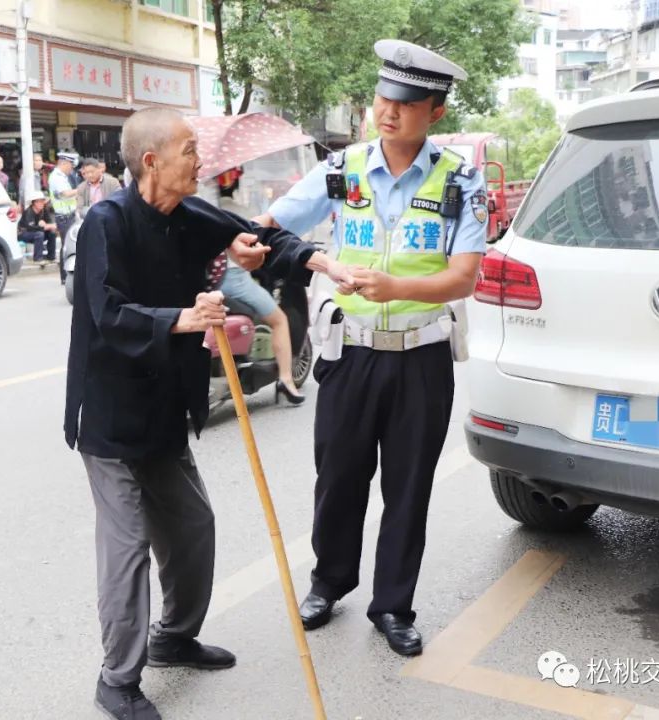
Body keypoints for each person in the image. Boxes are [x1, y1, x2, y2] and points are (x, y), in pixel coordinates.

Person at [65, 106, 352, 720]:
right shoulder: (105, 224)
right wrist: (182, 318)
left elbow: (255, 236)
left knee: (192, 526)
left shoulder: (189, 213)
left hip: (166, 404)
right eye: (190, 150)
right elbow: (104, 312)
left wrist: (308, 260)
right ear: (152, 161)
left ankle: (174, 638)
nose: (202, 161)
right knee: (128, 547)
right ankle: (117, 680)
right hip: (112, 415)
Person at [254, 40, 488, 657]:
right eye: (384, 98)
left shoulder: (461, 181)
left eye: (407, 103)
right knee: (338, 477)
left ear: (434, 111)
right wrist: (305, 256)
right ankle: (329, 582)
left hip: (421, 355)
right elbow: (271, 230)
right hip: (349, 352)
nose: (389, 112)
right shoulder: (340, 169)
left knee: (408, 488)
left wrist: (399, 286)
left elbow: (463, 276)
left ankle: (393, 605)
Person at [214, 168, 305, 404]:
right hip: (233, 279)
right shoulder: (239, 211)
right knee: (279, 320)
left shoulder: (203, 208)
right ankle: (286, 380)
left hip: (207, 282)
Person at [49, 153, 79, 275]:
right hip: (64, 217)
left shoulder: (62, 176)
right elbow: (65, 194)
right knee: (67, 245)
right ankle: (65, 275)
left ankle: (67, 274)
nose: (71, 169)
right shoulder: (56, 177)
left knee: (69, 244)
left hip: (69, 215)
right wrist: (81, 190)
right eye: (70, 166)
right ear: (64, 164)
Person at [17, 191, 57, 267]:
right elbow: (30, 227)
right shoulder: (28, 212)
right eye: (40, 201)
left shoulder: (44, 210)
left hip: (37, 232)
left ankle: (51, 257)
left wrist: (46, 226)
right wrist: (44, 226)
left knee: (52, 233)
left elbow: (49, 223)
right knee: (39, 234)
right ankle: (38, 258)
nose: (42, 203)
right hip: (23, 233)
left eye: (42, 201)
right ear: (34, 203)